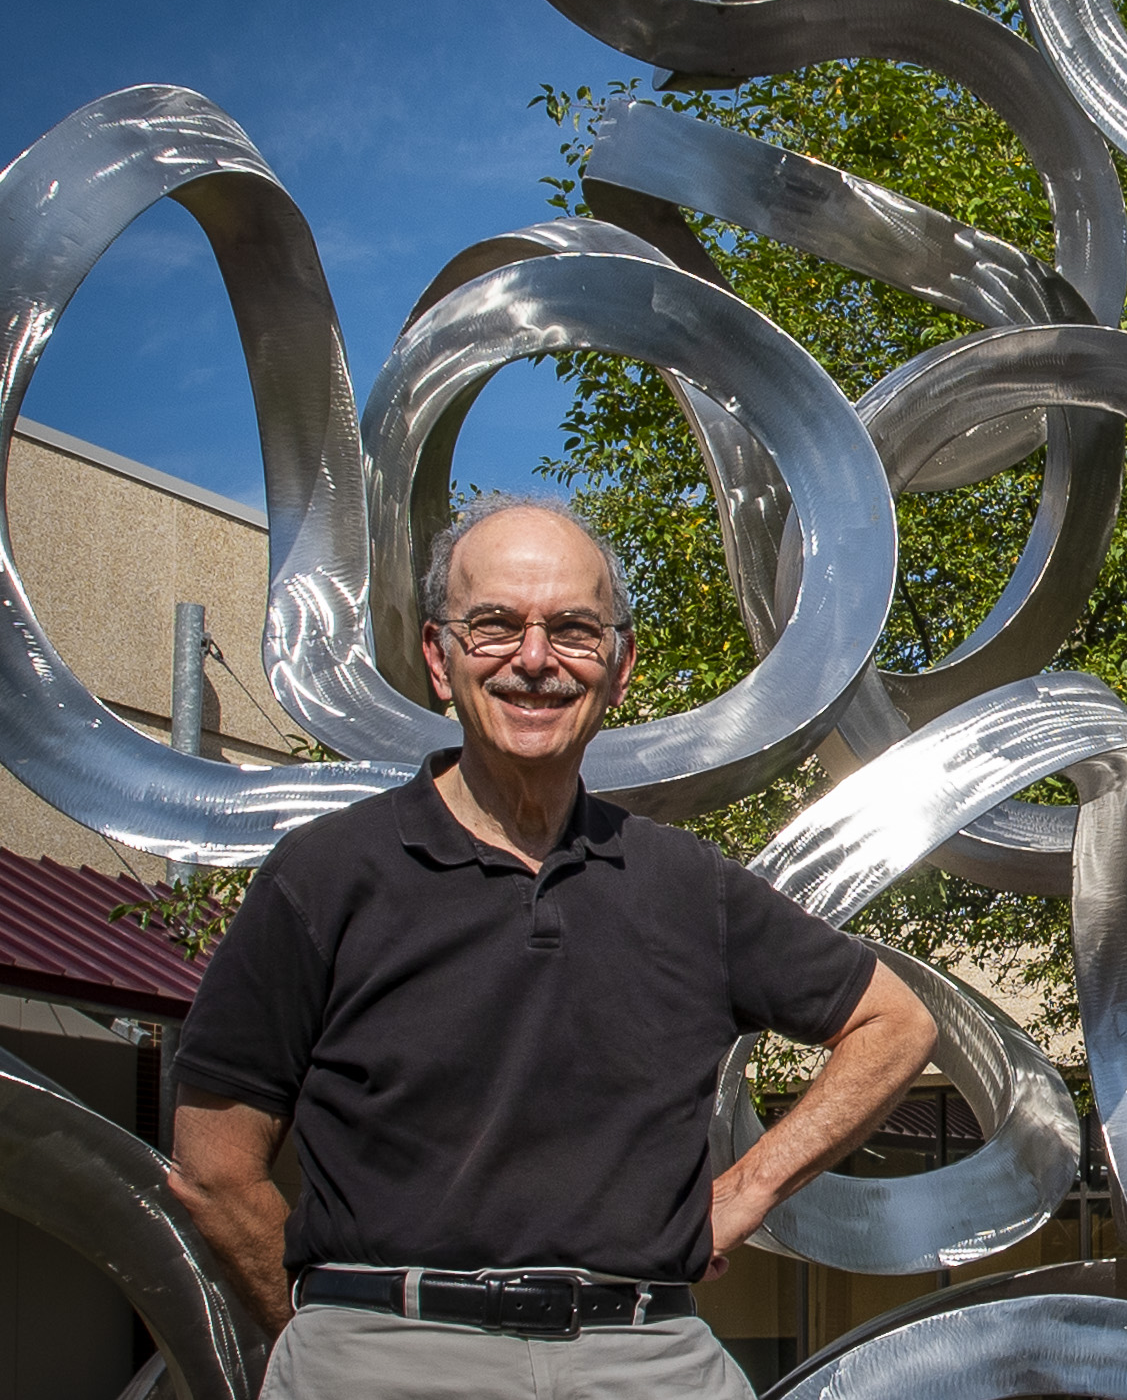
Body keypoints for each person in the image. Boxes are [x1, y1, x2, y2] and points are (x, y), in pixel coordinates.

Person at [167, 497, 936, 1398]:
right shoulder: (326, 874)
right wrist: (323, 1339)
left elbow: (895, 1022)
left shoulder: (686, 885)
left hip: (645, 1355)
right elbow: (214, 1170)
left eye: (574, 629)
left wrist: (749, 1190)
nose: (535, 660)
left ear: (619, 666)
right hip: (388, 1353)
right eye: (494, 625)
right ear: (437, 656)